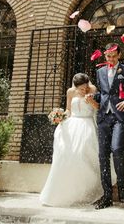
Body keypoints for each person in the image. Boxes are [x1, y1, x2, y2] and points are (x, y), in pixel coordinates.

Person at [39, 73, 103, 207]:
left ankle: (87, 190)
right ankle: (69, 191)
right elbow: (69, 110)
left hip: (87, 124)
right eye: (81, 88)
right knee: (67, 156)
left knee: (82, 154)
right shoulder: (70, 92)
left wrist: (90, 101)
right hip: (72, 125)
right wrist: (60, 116)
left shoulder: (93, 89)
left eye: (86, 87)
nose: (84, 90)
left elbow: (98, 107)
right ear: (75, 86)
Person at [93, 43, 124, 209]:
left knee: (117, 149)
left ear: (119, 55)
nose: (110, 59)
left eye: (113, 56)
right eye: (108, 56)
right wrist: (92, 96)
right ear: (105, 56)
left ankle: (121, 185)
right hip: (104, 117)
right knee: (103, 156)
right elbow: (103, 94)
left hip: (119, 117)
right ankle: (107, 196)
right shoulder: (100, 72)